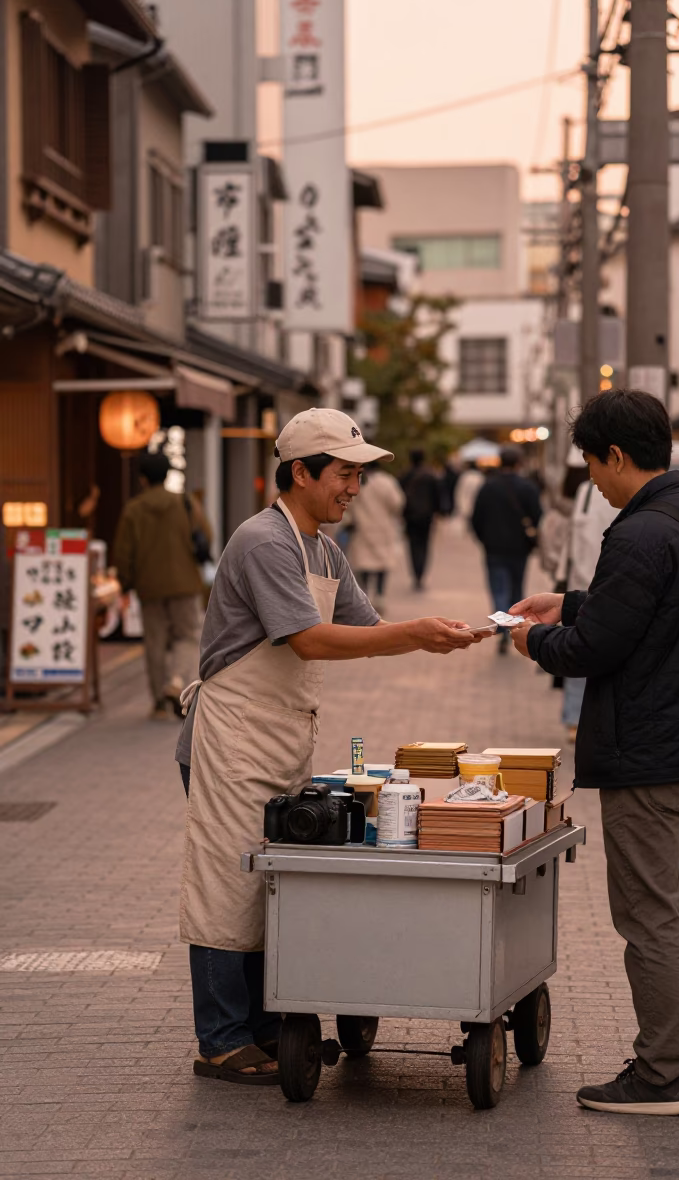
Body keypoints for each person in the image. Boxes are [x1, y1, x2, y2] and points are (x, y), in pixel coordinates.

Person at [176, 408, 478, 1086]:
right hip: (230, 736)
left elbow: (365, 626)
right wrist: (414, 633)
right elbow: (311, 640)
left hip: (277, 734)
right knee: (227, 885)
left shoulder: (321, 547)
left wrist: (446, 633)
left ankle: (257, 1026)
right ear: (302, 473)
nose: (354, 487)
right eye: (345, 473)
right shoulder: (264, 541)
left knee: (264, 886)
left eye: (358, 474)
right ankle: (221, 1039)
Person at [510, 389, 679, 1116]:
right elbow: (649, 611)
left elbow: (596, 648)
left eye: (591, 463)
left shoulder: (637, 533)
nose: (592, 481)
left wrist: (534, 640)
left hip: (648, 754)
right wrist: (568, 601)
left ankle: (660, 1073)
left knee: (651, 916)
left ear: (616, 455)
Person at [113, 451, 209, 720]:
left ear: (142, 479)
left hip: (149, 586)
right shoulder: (185, 503)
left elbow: (123, 552)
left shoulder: (134, 509)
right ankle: (178, 683)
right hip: (185, 583)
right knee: (187, 636)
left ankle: (158, 703)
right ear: (168, 474)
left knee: (155, 642)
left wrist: (124, 582)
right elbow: (207, 535)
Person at [556, 476, 619, 741]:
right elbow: (572, 540)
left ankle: (580, 718)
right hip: (584, 582)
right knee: (579, 649)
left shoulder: (612, 494)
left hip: (602, 583)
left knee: (585, 650)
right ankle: (575, 717)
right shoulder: (587, 491)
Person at [471, 447, 542, 654]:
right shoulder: (528, 487)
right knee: (517, 590)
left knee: (498, 589)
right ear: (519, 463)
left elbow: (476, 519)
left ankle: (502, 629)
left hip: (494, 548)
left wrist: (485, 539)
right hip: (520, 547)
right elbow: (538, 517)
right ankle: (515, 630)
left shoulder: (488, 487)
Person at [345, 461, 405, 615]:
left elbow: (348, 504)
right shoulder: (387, 481)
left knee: (363, 564)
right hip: (383, 529)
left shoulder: (357, 481)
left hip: (362, 529)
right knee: (382, 564)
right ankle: (379, 596)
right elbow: (397, 503)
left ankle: (364, 595)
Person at [399, 448, 442, 591]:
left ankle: (416, 574)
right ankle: (420, 574)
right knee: (424, 545)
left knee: (413, 546)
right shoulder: (430, 475)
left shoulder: (405, 475)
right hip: (426, 516)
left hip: (410, 516)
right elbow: (437, 496)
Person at [454, 460, 485, 533]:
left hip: (465, 500)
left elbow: (459, 491)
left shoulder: (464, 476)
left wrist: (458, 502)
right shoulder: (480, 476)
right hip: (476, 501)